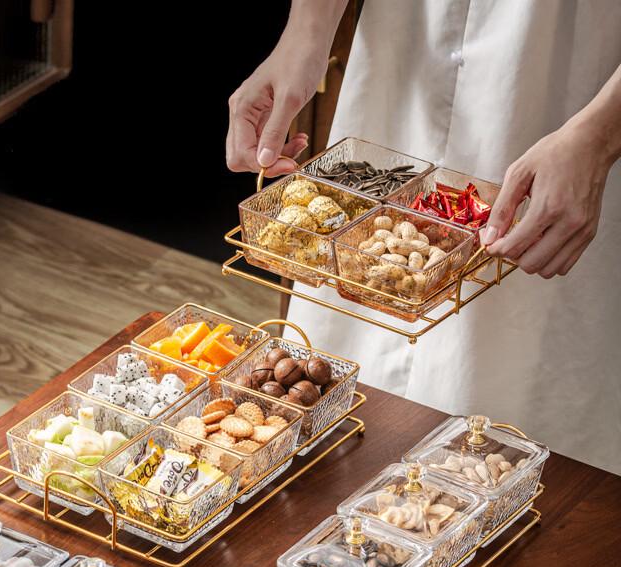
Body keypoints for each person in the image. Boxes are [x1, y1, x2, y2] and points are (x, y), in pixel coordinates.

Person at [226, 0, 621, 476]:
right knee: (335, 424)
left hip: (574, 89)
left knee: (525, 414)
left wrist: (600, 134)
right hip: (406, 54)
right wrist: (307, 31)